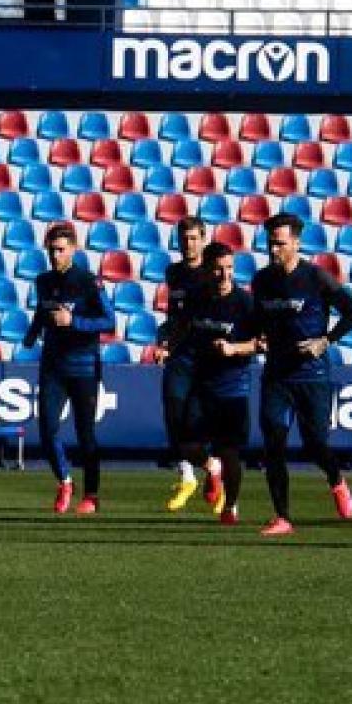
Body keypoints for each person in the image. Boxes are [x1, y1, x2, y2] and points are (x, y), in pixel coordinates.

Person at [250, 213, 352, 537]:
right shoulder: (261, 280)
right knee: (273, 442)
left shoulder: (316, 278)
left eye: (280, 244)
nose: (273, 250)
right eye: (270, 243)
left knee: (315, 445)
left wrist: (325, 341)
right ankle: (282, 516)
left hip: (312, 375)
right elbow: (258, 319)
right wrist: (257, 339)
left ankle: (336, 478)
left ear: (296, 243)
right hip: (277, 375)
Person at [22, 223, 116, 514]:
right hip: (53, 366)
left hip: (84, 366)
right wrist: (32, 332)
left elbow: (109, 322)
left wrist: (74, 322)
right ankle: (64, 480)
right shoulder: (43, 281)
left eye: (61, 250)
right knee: (47, 429)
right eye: (51, 250)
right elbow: (42, 310)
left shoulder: (89, 282)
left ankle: (91, 495)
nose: (55, 255)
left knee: (85, 432)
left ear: (73, 250)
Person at [179, 242, 260, 525]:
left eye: (229, 269)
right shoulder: (196, 298)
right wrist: (167, 344)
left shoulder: (246, 303)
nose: (225, 276)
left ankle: (231, 507)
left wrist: (234, 349)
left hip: (233, 387)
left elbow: (261, 343)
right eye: (218, 269)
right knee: (185, 444)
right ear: (207, 270)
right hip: (201, 384)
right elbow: (185, 330)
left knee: (229, 451)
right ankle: (210, 467)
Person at [152, 217, 221, 512]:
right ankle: (189, 475)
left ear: (203, 239)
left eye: (194, 238)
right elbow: (174, 316)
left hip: (207, 359)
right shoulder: (174, 273)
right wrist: (164, 341)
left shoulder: (212, 273)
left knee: (201, 425)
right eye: (184, 239)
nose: (189, 244)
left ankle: (222, 479)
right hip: (179, 357)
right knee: (173, 417)